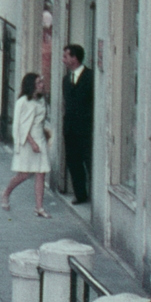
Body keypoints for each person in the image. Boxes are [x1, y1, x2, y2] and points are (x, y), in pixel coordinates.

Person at [0, 73, 52, 218]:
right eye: (39, 82)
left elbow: (41, 122)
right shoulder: (22, 101)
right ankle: (6, 192)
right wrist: (31, 142)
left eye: (42, 81)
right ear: (31, 85)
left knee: (41, 173)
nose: (42, 84)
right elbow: (20, 125)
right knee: (24, 174)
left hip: (40, 139)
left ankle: (39, 207)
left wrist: (44, 137)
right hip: (26, 141)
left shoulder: (42, 101)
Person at [61, 44, 94, 205]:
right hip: (70, 129)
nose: (63, 60)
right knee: (73, 162)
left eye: (66, 56)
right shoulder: (66, 80)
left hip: (86, 129)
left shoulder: (90, 77)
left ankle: (95, 195)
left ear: (75, 58)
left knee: (89, 161)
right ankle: (80, 194)